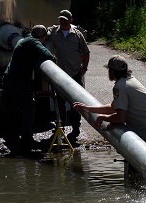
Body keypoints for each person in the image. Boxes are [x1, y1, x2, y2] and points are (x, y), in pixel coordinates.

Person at [0, 25, 56, 152]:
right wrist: (54, 59)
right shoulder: (34, 42)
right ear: (42, 37)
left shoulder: (26, 40)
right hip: (19, 81)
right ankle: (27, 139)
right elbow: (47, 55)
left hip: (9, 78)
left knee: (3, 107)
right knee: (29, 107)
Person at [73, 55, 146, 154]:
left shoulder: (120, 87)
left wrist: (103, 117)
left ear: (112, 72)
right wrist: (88, 108)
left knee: (139, 167)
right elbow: (113, 108)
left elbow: (121, 119)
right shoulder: (130, 80)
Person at [45, 9, 89, 142]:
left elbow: (86, 52)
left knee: (76, 102)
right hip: (59, 74)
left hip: (75, 73)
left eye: (65, 19)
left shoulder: (77, 35)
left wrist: (84, 68)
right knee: (60, 102)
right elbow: (42, 37)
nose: (62, 22)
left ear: (71, 21)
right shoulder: (53, 32)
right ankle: (61, 127)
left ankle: (75, 129)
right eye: (60, 19)